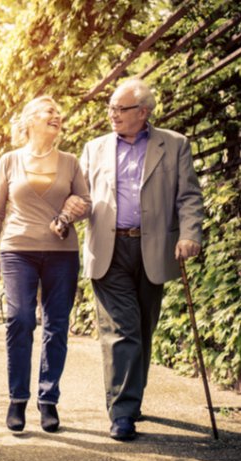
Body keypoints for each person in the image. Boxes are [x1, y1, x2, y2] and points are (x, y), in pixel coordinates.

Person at [78, 79, 203, 441]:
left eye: (120, 109)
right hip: (108, 248)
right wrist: (70, 209)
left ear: (143, 113)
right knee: (122, 330)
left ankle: (132, 398)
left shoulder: (174, 144)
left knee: (144, 329)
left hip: (153, 249)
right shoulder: (95, 148)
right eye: (111, 108)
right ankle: (122, 412)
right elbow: (83, 197)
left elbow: (189, 196)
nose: (112, 115)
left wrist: (190, 233)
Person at [0, 96, 91, 433]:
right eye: (49, 112)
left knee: (57, 325)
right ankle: (18, 399)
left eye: (59, 113)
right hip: (17, 249)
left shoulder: (70, 162)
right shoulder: (10, 161)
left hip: (61, 252)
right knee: (20, 319)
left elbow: (87, 203)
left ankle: (48, 400)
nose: (56, 116)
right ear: (30, 121)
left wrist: (77, 206)